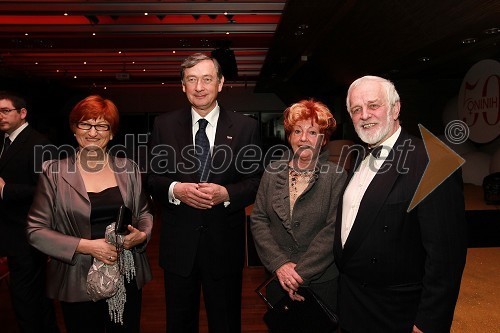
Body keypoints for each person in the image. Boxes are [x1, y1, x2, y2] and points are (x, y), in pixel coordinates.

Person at [333, 76, 467, 333]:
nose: (365, 115)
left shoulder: (434, 162)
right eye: (356, 109)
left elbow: (446, 258)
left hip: (397, 314)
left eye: (373, 105)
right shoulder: (359, 155)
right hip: (353, 304)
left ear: (395, 109)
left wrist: (429, 322)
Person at [147, 52, 262, 333]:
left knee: (225, 322)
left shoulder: (247, 127)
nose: (199, 87)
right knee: (179, 323)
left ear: (220, 83)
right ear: (183, 85)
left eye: (207, 79)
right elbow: (152, 178)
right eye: (192, 80)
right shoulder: (163, 125)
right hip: (179, 246)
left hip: (224, 245)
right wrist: (176, 189)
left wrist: (227, 193)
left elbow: (257, 180)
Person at [26, 95, 153, 333]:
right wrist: (87, 246)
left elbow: (144, 213)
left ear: (112, 132)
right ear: (74, 129)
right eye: (85, 124)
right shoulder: (54, 172)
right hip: (77, 279)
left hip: (125, 275)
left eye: (102, 125)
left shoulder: (129, 169)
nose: (93, 132)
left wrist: (142, 235)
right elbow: (35, 231)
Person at [250, 99, 347, 315]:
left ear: (323, 140)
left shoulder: (337, 177)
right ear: (289, 136)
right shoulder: (272, 172)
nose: (303, 138)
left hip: (322, 281)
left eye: (312, 132)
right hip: (278, 277)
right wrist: (280, 265)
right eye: (297, 131)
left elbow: (334, 230)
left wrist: (299, 274)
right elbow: (258, 220)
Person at [0, 91, 59, 333]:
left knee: (25, 296)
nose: (0, 116)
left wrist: (6, 190)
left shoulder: (39, 144)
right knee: (34, 295)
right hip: (11, 233)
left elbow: (48, 190)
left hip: (28, 233)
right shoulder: (4, 141)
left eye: (5, 111)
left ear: (22, 113)